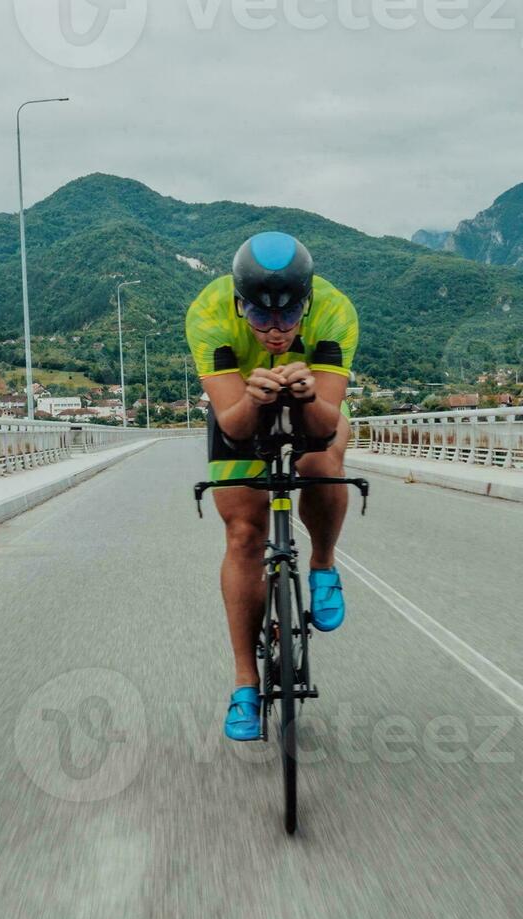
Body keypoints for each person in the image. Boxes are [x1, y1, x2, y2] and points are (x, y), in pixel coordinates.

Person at [189, 231, 358, 742]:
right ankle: (245, 683)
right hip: (242, 406)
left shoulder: (334, 311)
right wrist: (255, 399)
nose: (276, 330)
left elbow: (326, 423)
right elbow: (235, 426)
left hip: (314, 407)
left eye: (288, 316)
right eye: (260, 317)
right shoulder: (209, 312)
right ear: (240, 305)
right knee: (243, 533)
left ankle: (324, 563)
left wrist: (305, 396)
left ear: (307, 303)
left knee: (321, 461)